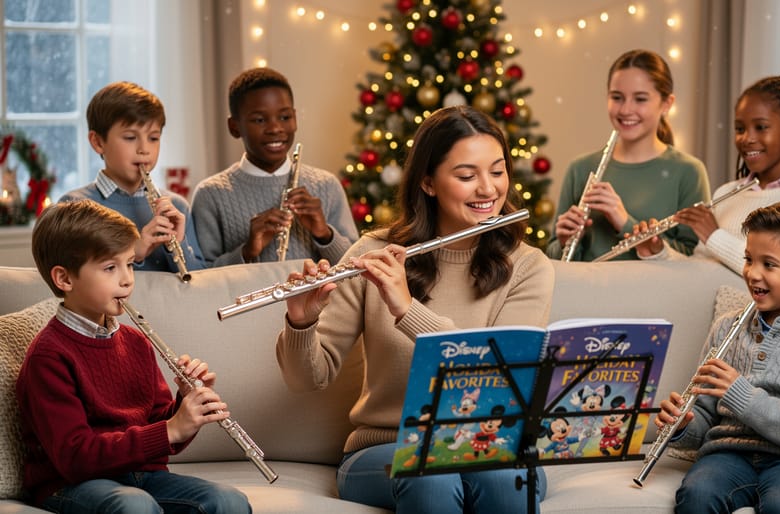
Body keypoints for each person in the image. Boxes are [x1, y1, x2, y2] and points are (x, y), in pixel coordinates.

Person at [274, 105, 555, 513]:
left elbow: (496, 375)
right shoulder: (373, 253)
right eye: (466, 175)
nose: (488, 189)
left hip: (492, 443)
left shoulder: (528, 266)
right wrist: (301, 322)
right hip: (386, 448)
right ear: (427, 182)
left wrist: (408, 309)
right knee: (431, 474)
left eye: (497, 171)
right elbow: (306, 381)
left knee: (501, 475)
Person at [17, 199, 250, 513]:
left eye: (129, 263)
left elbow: (156, 429)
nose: (127, 278)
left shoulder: (136, 342)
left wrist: (185, 408)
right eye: (111, 267)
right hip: (71, 483)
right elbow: (74, 457)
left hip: (140, 474)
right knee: (134, 506)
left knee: (228, 501)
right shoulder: (49, 357)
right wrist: (170, 430)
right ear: (65, 279)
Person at [656, 198, 780, 514]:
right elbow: (706, 418)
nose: (752, 273)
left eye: (769, 264)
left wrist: (743, 396)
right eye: (749, 259)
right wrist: (681, 426)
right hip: (729, 454)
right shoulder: (727, 328)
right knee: (698, 494)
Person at [633, 75, 780, 275]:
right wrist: (659, 253)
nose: (747, 138)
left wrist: (713, 236)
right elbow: (701, 271)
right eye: (740, 128)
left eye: (761, 127)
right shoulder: (727, 192)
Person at [545, 49, 710, 262]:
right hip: (587, 293)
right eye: (617, 97)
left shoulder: (689, 172)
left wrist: (625, 223)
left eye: (640, 99)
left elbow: (693, 260)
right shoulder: (580, 168)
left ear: (667, 104)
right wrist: (564, 240)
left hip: (652, 295)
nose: (625, 109)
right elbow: (554, 259)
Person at [191, 67, 358, 266]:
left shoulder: (327, 185)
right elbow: (202, 277)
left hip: (318, 299)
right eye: (259, 120)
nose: (275, 128)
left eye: (285, 117)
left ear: (295, 119)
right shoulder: (210, 194)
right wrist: (247, 251)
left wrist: (324, 234)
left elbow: (355, 269)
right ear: (234, 127)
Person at [59, 81, 207, 275]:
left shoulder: (177, 207)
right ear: (97, 142)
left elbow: (200, 281)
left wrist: (178, 245)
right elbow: (71, 280)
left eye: (153, 138)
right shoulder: (73, 207)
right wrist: (132, 254)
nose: (144, 149)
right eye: (130, 137)